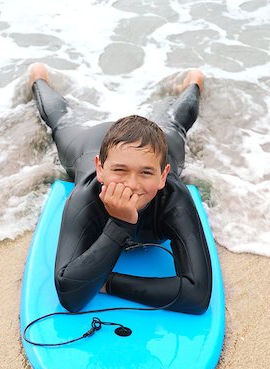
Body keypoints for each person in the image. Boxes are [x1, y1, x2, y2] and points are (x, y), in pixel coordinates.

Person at [29, 63, 212, 314]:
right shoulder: (86, 196)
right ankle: (39, 79)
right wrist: (120, 224)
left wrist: (106, 282)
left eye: (147, 173)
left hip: (156, 145)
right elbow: (70, 296)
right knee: (59, 123)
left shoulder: (174, 199)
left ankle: (194, 82)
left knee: (177, 124)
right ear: (100, 169)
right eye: (119, 171)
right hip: (90, 143)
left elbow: (198, 297)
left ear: (163, 175)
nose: (132, 185)